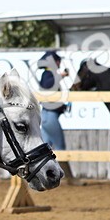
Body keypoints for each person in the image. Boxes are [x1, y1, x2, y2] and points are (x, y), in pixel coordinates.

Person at [37, 50, 80, 186]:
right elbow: (48, 83)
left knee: (45, 151)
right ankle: (71, 179)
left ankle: (39, 177)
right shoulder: (48, 74)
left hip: (47, 116)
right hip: (50, 117)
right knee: (61, 149)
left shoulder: (49, 74)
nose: (59, 63)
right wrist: (60, 75)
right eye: (57, 61)